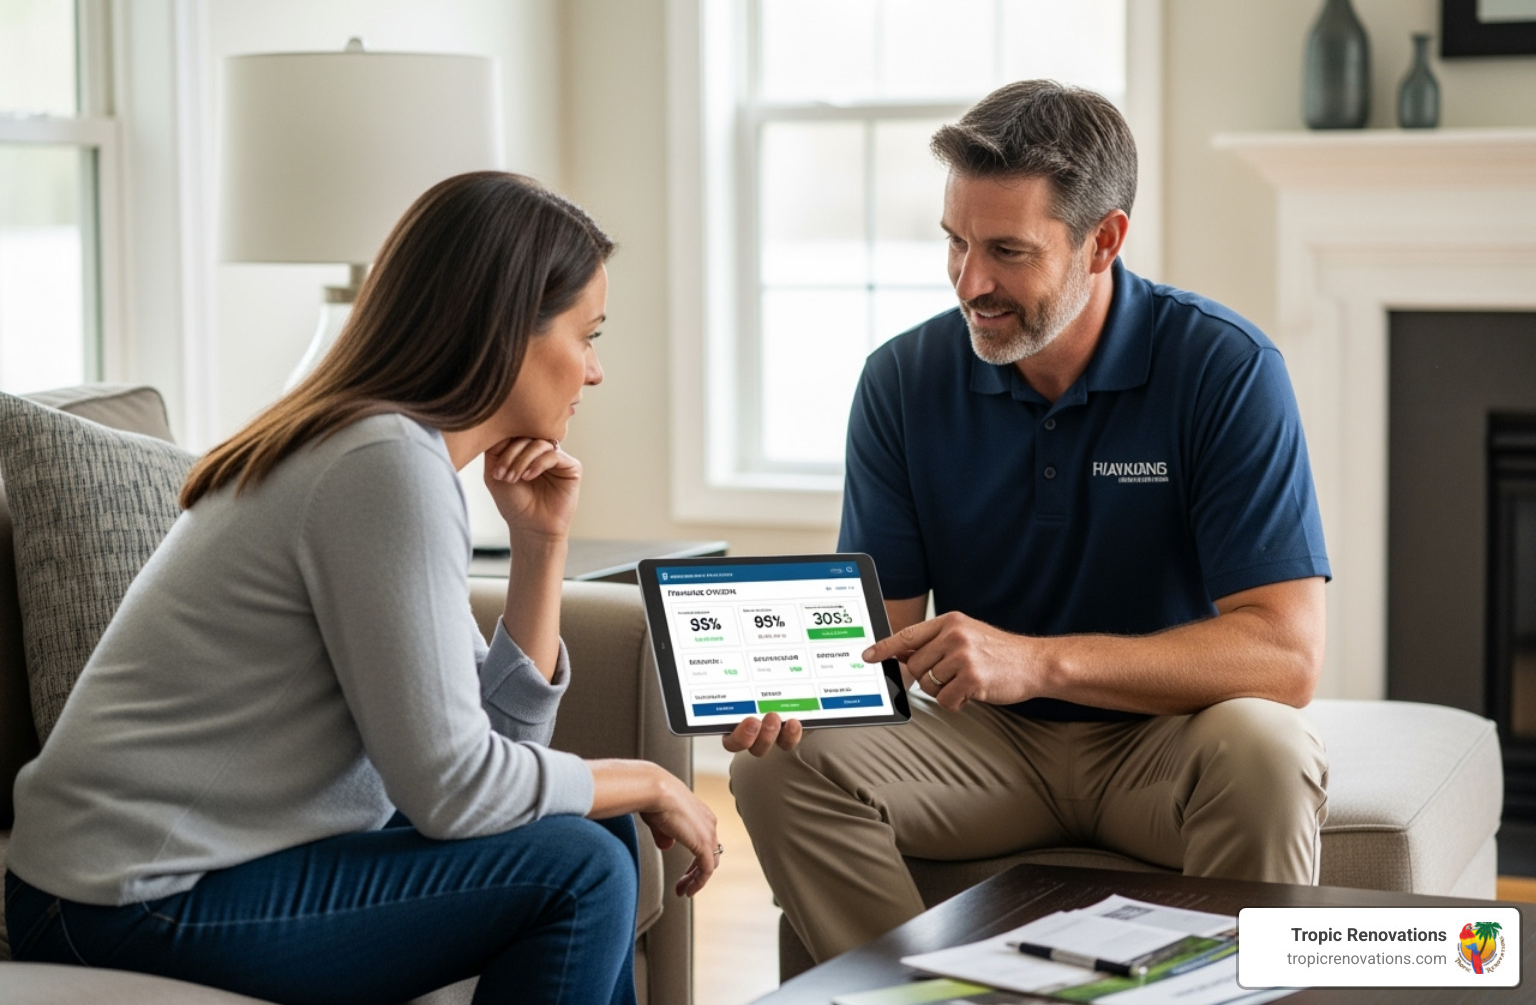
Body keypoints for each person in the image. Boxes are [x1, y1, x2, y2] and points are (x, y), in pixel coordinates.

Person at [3, 172, 780, 1005]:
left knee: (597, 828)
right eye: (586, 335)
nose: (594, 371)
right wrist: (654, 778)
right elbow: (457, 791)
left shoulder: (386, 450)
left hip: (193, 868)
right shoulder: (381, 466)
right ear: (505, 330)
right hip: (125, 898)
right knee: (582, 866)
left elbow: (493, 745)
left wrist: (540, 545)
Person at [730, 80, 1332, 963]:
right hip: (984, 747)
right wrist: (791, 689)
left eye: (1008, 251)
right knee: (775, 769)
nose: (970, 282)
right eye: (956, 242)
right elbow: (879, 642)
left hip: (1170, 740)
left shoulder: (1225, 368)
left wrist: (1038, 660)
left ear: (1105, 240)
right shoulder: (901, 382)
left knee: (1269, 748)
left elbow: (1286, 655)